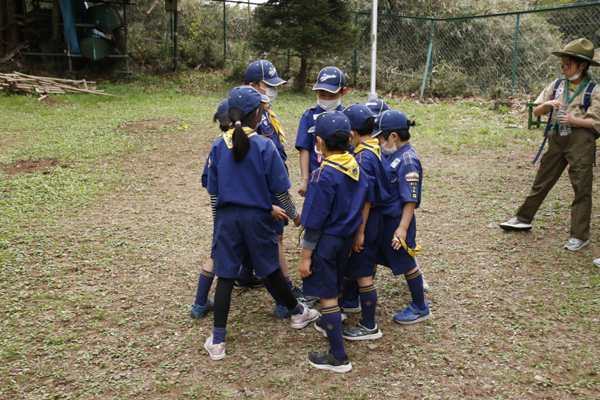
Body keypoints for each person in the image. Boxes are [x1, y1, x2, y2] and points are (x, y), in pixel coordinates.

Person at [204, 86, 319, 360]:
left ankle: (218, 341)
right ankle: (297, 313)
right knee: (269, 270)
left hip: (227, 218)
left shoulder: (218, 145)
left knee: (226, 276)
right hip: (258, 218)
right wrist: (294, 215)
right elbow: (280, 192)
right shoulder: (265, 145)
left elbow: (214, 191)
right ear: (259, 113)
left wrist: (217, 221)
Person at [500, 38, 600, 251]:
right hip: (557, 139)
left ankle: (580, 236)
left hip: (581, 142)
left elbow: (595, 123)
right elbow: (536, 111)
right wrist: (546, 104)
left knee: (581, 187)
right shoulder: (557, 85)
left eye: (568, 65)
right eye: (562, 64)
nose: (564, 69)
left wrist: (574, 121)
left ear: (582, 66)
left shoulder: (594, 90)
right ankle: (523, 218)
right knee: (542, 180)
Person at [299, 111, 368, 372]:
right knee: (335, 290)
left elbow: (314, 223)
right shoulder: (356, 166)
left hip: (326, 243)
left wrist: (306, 258)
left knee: (327, 296)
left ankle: (338, 356)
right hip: (346, 239)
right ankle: (333, 331)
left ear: (319, 142)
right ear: (349, 139)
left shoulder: (322, 175)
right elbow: (364, 202)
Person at [243, 59, 311, 313]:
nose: (273, 90)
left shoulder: (258, 110)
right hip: (266, 188)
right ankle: (286, 294)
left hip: (257, 187)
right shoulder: (257, 118)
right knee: (275, 239)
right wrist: (292, 213)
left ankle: (243, 272)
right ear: (253, 86)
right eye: (267, 85)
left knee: (249, 233)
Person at [335, 103, 392, 340]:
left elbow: (366, 198)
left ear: (351, 134)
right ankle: (345, 304)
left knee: (364, 273)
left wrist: (359, 232)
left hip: (367, 220)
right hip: (375, 218)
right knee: (357, 265)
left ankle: (369, 325)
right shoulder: (376, 148)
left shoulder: (363, 157)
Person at [373, 110, 432, 325]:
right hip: (384, 220)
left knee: (406, 263)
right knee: (374, 256)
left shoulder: (407, 161)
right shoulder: (393, 156)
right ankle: (355, 297)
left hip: (397, 223)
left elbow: (410, 200)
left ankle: (420, 306)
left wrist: (402, 229)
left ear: (394, 137)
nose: (379, 142)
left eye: (380, 138)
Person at [296, 66, 347, 198]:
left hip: (343, 178)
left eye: (332, 95)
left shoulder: (347, 116)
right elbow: (304, 148)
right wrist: (305, 180)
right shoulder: (308, 115)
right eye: (322, 94)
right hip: (316, 178)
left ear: (343, 92)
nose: (327, 99)